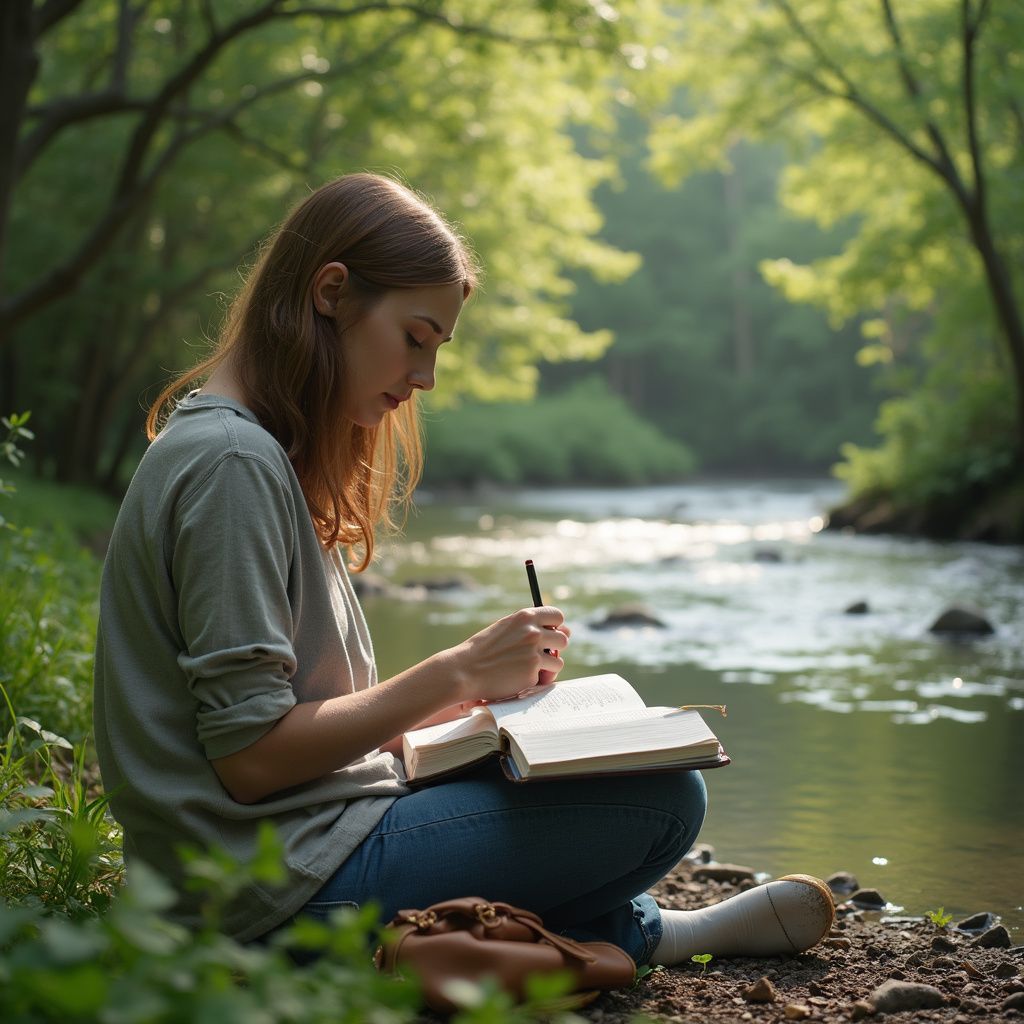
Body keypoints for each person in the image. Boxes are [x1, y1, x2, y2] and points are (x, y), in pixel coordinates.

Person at [94, 172, 834, 970]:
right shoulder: (232, 464)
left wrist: (462, 721)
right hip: (258, 885)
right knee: (661, 801)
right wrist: (453, 670)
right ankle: (638, 934)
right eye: (416, 337)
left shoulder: (254, 454)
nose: (425, 379)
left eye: (437, 348)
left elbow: (295, 722)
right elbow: (251, 761)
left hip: (288, 849)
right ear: (332, 292)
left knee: (617, 771)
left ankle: (552, 939)